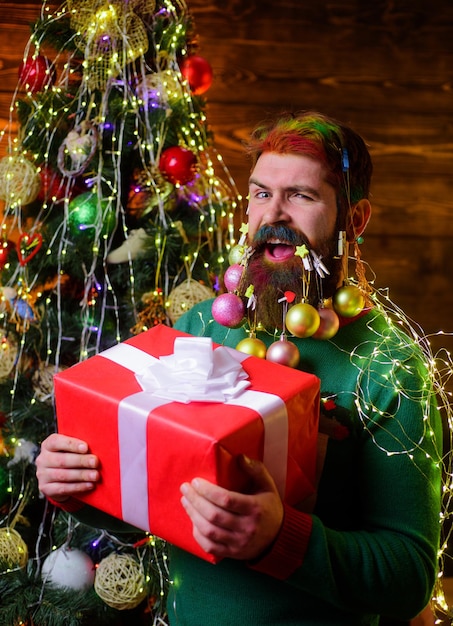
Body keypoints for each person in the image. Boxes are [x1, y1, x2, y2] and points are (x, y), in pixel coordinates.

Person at [36, 111, 443, 625]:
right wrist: (81, 487)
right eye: (260, 193)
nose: (273, 213)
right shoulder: (199, 326)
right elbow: (152, 499)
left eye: (301, 195)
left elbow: (408, 575)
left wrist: (281, 538)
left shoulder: (391, 368)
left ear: (355, 220)